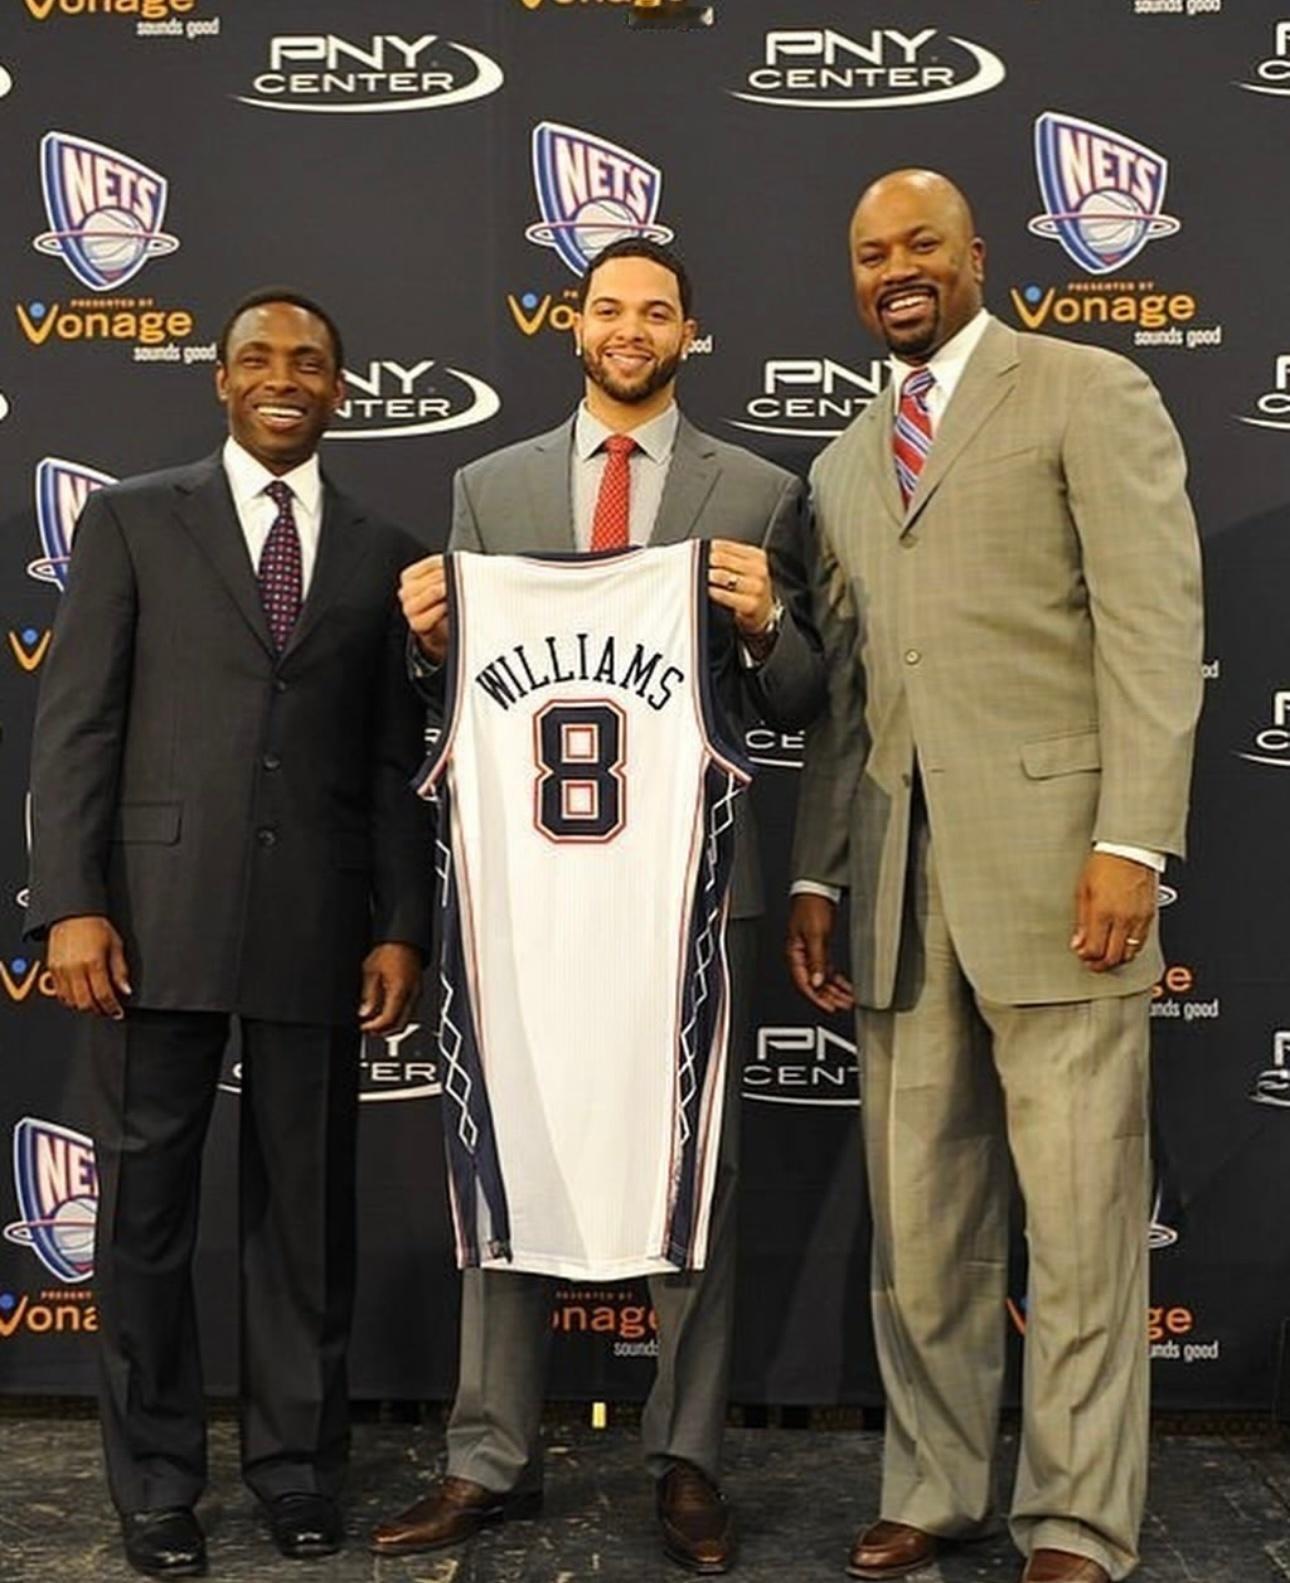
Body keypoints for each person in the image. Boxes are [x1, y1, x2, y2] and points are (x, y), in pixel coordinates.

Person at [370, 236, 823, 1575]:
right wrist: (428, 642)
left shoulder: (760, 489)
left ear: (690, 334)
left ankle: (687, 1460)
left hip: (693, 892)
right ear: (573, 325)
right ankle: (486, 1454)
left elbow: (804, 696)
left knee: (692, 1174)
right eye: (608, 307)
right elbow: (445, 701)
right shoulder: (489, 484)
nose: (630, 328)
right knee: (506, 1141)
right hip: (525, 889)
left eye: (656, 312)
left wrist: (765, 625)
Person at [785, 171, 1203, 1583]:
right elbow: (849, 701)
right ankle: (937, 1484)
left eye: (920, 244)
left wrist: (1131, 842)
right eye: (870, 254)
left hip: (1061, 875)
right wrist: (818, 875)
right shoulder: (844, 461)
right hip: (898, 891)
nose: (895, 268)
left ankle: (1075, 1517)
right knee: (921, 1224)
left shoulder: (1087, 390)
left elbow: (1153, 628)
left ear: (975, 255)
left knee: (1080, 1222)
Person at [27, 289, 431, 1577]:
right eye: (258, 358)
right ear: (220, 378)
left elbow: (393, 762)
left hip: (320, 923)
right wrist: (71, 903)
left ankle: (296, 1473)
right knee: (144, 1217)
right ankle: (155, 1488)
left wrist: (401, 924)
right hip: (153, 922)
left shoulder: (384, 551)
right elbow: (76, 726)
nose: (283, 378)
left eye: (310, 362)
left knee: (304, 1218)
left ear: (340, 390)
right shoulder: (133, 519)